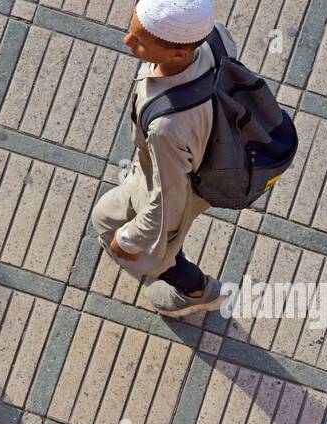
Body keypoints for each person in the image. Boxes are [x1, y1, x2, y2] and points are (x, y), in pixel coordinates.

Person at [90, 0, 236, 317]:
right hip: (191, 159)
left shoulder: (166, 129)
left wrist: (128, 241)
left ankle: (198, 292)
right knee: (112, 220)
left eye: (139, 41)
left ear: (179, 54)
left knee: (147, 245)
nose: (127, 42)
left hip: (180, 183)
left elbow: (169, 201)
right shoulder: (216, 37)